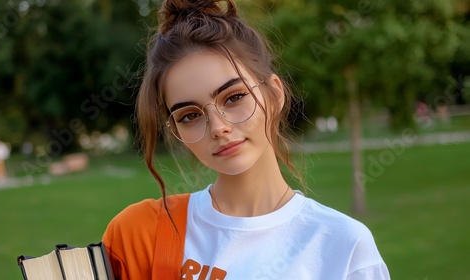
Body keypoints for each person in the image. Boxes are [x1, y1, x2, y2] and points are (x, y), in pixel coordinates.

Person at [102, 0, 390, 279]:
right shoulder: (139, 235)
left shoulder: (344, 247)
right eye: (189, 116)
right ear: (176, 130)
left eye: (234, 97)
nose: (218, 127)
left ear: (274, 94)